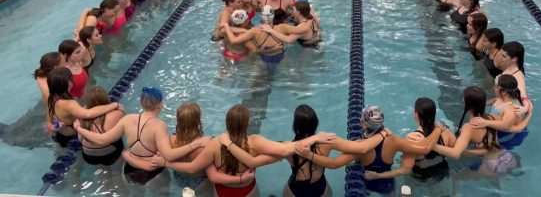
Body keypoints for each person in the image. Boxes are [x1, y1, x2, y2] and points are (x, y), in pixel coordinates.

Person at [217, 104, 398, 197]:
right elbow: (362, 147)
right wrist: (382, 134)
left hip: (295, 190)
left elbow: (254, 162)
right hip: (320, 189)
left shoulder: (286, 147)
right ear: (316, 123)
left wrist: (230, 144)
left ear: (295, 125)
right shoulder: (328, 141)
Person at [156, 104, 337, 197]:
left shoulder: (215, 143)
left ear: (226, 123)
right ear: (247, 124)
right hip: (248, 191)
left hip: (223, 192)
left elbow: (192, 168)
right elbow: (285, 150)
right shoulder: (255, 142)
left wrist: (165, 162)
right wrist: (314, 137)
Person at [294, 106, 443, 195]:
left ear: (362, 123)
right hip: (387, 183)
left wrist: (309, 154)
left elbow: (334, 164)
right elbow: (424, 148)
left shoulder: (359, 146)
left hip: (365, 183)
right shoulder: (393, 139)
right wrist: (437, 129)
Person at [75, 87, 209, 185]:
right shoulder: (159, 125)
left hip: (129, 170)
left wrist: (79, 128)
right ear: (160, 105)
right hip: (152, 173)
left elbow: (102, 139)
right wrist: (195, 144)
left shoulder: (127, 119)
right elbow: (169, 155)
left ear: (141, 103)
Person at [433, 86, 521, 177]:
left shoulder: (468, 128)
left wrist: (432, 145)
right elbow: (511, 126)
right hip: (507, 157)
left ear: (467, 104)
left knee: (457, 178)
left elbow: (455, 154)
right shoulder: (491, 118)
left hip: (492, 165)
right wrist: (528, 113)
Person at [364, 98, 455, 181]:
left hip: (420, 177)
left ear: (416, 114)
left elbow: (405, 170)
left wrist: (377, 176)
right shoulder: (446, 133)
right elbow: (455, 150)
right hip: (442, 173)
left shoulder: (412, 138)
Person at [47, 68, 120, 147]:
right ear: (68, 83)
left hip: (61, 134)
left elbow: (51, 116)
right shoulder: (69, 104)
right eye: (71, 78)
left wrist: (56, 125)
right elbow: (88, 114)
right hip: (72, 137)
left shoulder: (52, 97)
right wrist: (114, 105)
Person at [470, 75, 532, 150]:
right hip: (497, 130)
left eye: (496, 87)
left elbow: (505, 126)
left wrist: (485, 122)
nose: (494, 88)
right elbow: (495, 100)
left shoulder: (512, 109)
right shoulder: (500, 98)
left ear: (504, 92)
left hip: (505, 138)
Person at [222, 6, 286, 65]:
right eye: (247, 19)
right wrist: (273, 49)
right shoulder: (245, 36)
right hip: (240, 57)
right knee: (261, 66)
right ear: (243, 22)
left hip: (227, 53)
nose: (248, 20)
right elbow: (255, 51)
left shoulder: (226, 31)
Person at [79, 86, 126, 165]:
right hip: (110, 153)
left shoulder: (81, 114)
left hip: (88, 155)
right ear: (106, 98)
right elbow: (124, 131)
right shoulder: (117, 113)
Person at [493, 41, 532, 115]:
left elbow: (523, 96)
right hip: (501, 105)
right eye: (501, 54)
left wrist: (525, 108)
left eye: (504, 56)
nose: (500, 58)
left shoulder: (517, 75)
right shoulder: (508, 68)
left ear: (514, 59)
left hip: (508, 111)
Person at [33, 52, 65, 131]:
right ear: (55, 68)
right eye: (64, 62)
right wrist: (50, 124)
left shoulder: (41, 75)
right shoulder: (48, 89)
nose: (66, 63)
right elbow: (50, 108)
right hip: (54, 107)